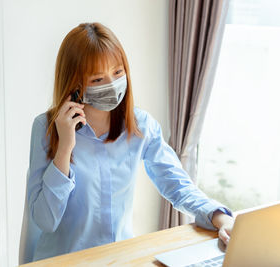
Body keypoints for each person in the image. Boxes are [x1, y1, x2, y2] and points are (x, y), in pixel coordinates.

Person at [27, 22, 234, 261]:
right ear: (75, 85)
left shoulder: (141, 125)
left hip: (122, 259)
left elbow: (177, 184)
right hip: (65, 261)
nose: (112, 84)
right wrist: (65, 148)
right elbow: (45, 220)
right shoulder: (45, 128)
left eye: (117, 73)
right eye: (97, 79)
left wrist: (221, 218)